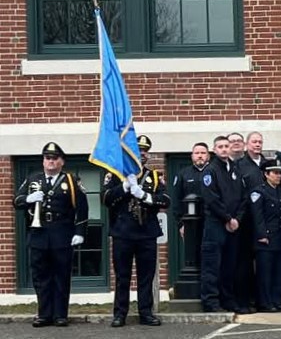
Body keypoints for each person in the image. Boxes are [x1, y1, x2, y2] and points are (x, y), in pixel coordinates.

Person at [14, 143, 88, 328]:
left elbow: (82, 209)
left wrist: (79, 232)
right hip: (39, 234)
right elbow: (17, 201)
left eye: (55, 158)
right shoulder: (33, 179)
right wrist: (28, 199)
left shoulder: (71, 181)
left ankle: (60, 315)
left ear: (62, 161)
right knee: (40, 276)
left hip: (62, 234)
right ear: (43, 160)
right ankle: (44, 314)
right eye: (47, 158)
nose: (51, 162)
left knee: (61, 276)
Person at [103, 135, 169, 327]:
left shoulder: (154, 177)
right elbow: (106, 199)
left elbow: (165, 200)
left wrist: (146, 196)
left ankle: (146, 312)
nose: (141, 154)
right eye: (137, 150)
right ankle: (120, 314)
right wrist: (123, 187)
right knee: (122, 276)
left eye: (144, 151)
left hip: (146, 233)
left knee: (146, 276)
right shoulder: (115, 175)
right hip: (123, 233)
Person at [199, 135, 248, 314]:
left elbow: (244, 197)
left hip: (234, 225)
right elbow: (212, 199)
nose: (224, 149)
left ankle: (228, 300)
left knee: (230, 266)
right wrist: (228, 219)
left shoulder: (235, 169)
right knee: (212, 265)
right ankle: (210, 302)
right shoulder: (210, 171)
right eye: (220, 146)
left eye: (226, 146)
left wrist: (237, 219)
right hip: (216, 225)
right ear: (214, 150)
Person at [250, 159, 281, 313]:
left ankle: (276, 300)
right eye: (274, 173)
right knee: (265, 273)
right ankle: (264, 302)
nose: (278, 176)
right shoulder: (258, 192)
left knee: (278, 272)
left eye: (280, 173)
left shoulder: (280, 191)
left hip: (279, 237)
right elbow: (257, 216)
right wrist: (262, 234)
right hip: (266, 238)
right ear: (266, 174)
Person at [234, 131, 266, 311]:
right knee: (244, 264)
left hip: (265, 221)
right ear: (247, 145)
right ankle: (245, 301)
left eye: (260, 142)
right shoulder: (239, 165)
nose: (257, 145)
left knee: (263, 264)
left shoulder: (267, 164)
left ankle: (263, 300)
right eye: (254, 142)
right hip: (246, 221)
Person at [171, 142, 209, 239]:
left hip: (211, 223)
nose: (200, 156)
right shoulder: (183, 174)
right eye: (197, 153)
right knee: (192, 252)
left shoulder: (215, 172)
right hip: (190, 223)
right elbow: (176, 200)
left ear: (208, 156)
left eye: (203, 153)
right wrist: (181, 224)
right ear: (192, 156)